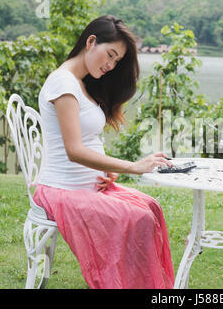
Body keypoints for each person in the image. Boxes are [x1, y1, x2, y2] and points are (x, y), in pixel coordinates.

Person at [32, 15, 175, 289]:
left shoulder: (80, 83)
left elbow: (87, 140)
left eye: (116, 61)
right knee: (141, 219)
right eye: (109, 55)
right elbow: (74, 151)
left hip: (88, 187)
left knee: (151, 209)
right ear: (91, 41)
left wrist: (104, 169)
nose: (110, 65)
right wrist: (132, 166)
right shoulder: (63, 83)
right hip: (62, 191)